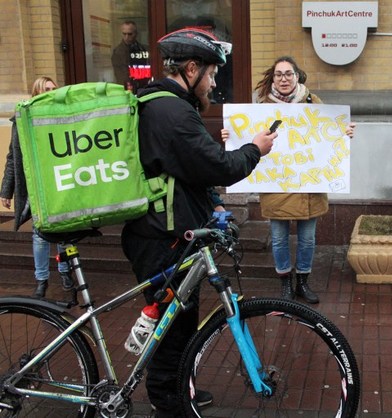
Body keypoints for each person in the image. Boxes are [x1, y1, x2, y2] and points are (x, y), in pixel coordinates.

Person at [120, 28, 276, 417]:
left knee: (180, 323)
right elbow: (218, 165)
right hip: (162, 239)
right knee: (172, 331)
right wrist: (255, 149)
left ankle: (177, 389)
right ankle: (167, 403)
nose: (213, 82)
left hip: (168, 234)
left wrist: (215, 208)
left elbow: (187, 175)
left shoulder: (166, 106)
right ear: (191, 68)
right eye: (211, 74)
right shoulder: (171, 111)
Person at [225, 56, 355, 304]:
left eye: (288, 74)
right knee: (279, 238)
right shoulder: (261, 107)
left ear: (297, 76)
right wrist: (229, 134)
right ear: (273, 78)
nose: (283, 79)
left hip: (309, 185)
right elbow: (247, 139)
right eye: (278, 74)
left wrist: (345, 131)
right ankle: (285, 283)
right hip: (278, 184)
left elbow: (329, 131)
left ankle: (303, 282)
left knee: (307, 239)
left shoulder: (312, 102)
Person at [0, 76, 73, 298]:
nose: (51, 92)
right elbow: (14, 157)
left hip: (59, 183)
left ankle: (65, 272)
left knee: (64, 231)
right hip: (36, 186)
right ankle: (42, 280)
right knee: (39, 236)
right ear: (36, 94)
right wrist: (6, 189)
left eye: (54, 89)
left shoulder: (64, 116)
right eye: (46, 89)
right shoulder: (21, 120)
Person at [111, 21, 151, 92]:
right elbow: (120, 75)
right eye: (124, 34)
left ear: (135, 34)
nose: (126, 37)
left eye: (130, 34)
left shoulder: (143, 49)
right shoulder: (118, 52)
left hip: (143, 86)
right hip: (126, 88)